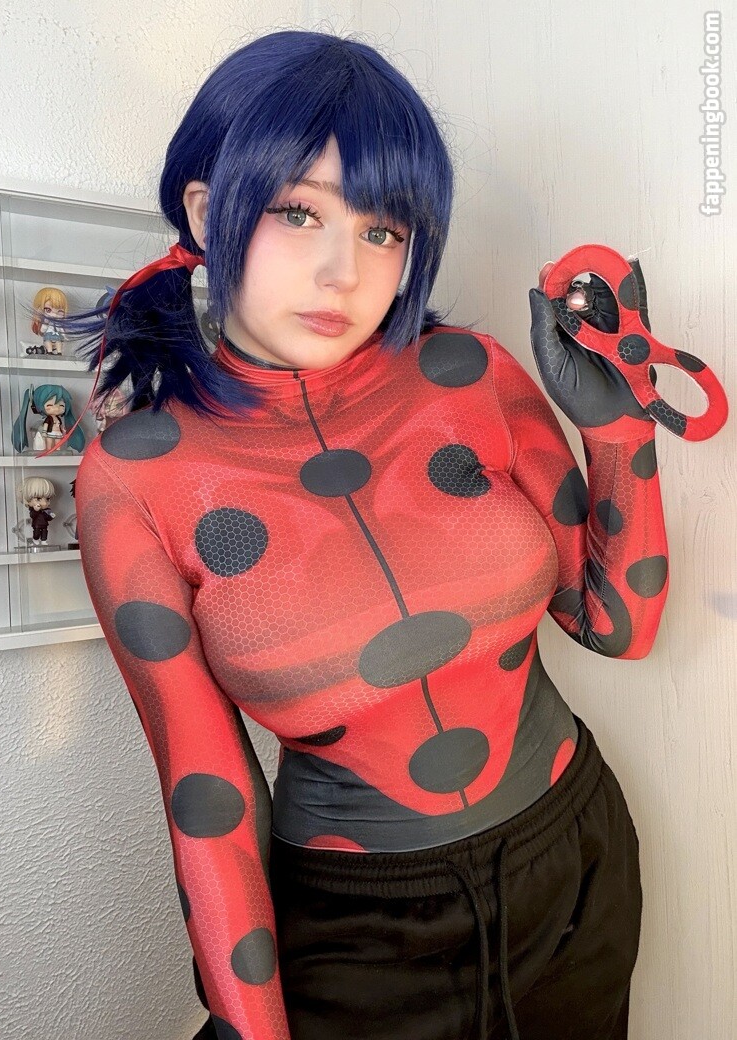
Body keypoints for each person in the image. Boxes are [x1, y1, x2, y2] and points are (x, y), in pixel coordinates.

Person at [67, 29, 674, 1040]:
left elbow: (618, 624)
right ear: (208, 213)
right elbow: (209, 797)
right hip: (357, 939)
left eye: (383, 229)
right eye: (298, 211)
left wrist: (617, 429)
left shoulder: (472, 375)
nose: (341, 271)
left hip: (576, 870)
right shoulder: (138, 477)